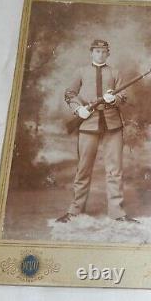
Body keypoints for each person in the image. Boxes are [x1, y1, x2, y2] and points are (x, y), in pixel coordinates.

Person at [56, 39, 139, 223]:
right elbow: (69, 93)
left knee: (114, 170)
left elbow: (123, 98)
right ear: (91, 53)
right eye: (96, 51)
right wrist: (78, 110)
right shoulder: (81, 72)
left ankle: (117, 213)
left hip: (112, 124)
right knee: (83, 169)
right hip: (88, 123)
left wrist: (113, 100)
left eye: (103, 51)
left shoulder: (115, 72)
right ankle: (75, 211)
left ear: (108, 53)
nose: (100, 54)